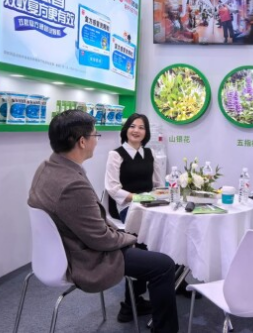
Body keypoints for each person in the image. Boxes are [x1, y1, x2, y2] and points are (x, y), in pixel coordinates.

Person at [28, 110, 179, 332]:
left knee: (142, 246)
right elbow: (100, 238)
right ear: (82, 141)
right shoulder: (72, 184)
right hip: (84, 256)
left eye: (141, 127)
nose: (96, 140)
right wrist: (129, 238)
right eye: (95, 135)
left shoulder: (48, 167)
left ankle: (136, 302)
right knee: (164, 265)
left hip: (60, 250)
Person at [105, 113, 163, 223]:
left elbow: (158, 184)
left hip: (150, 204)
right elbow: (113, 189)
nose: (136, 130)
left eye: (141, 128)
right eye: (132, 126)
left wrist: (160, 196)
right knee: (152, 223)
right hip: (127, 206)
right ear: (126, 129)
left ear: (146, 132)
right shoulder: (115, 155)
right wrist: (138, 198)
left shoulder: (151, 153)